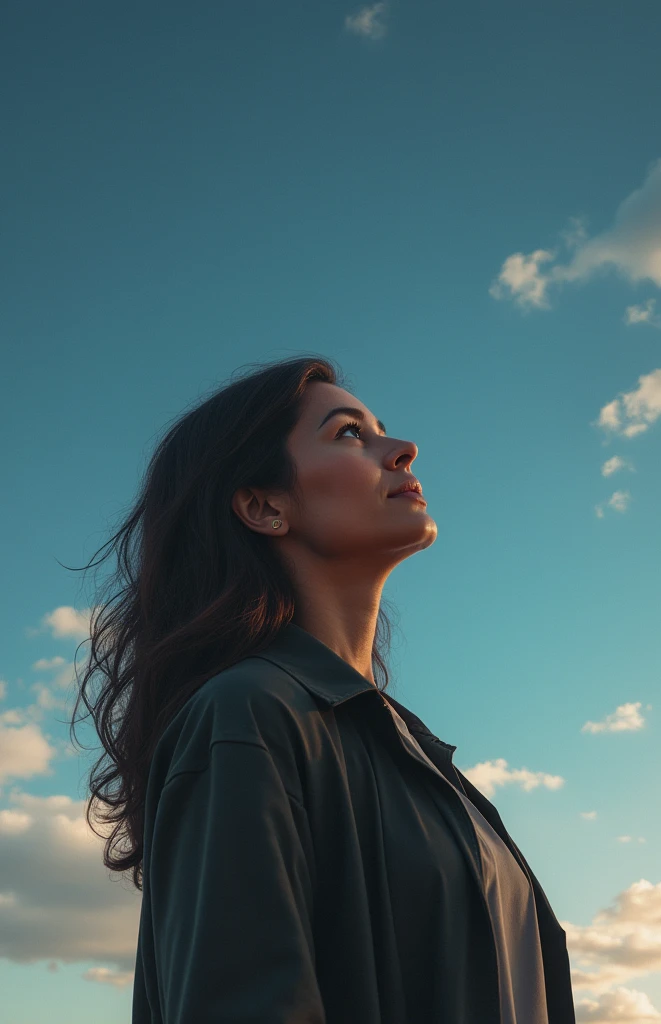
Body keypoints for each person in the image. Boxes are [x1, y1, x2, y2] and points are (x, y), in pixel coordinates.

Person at [69, 354, 576, 1023]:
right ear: (263, 505)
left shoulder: (409, 750)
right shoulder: (246, 715)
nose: (403, 450)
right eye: (348, 434)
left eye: (380, 430)